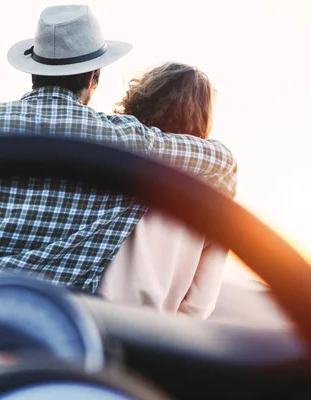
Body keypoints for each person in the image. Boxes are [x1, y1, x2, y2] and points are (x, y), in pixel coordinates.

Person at [0, 5, 237, 294]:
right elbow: (222, 163)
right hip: (45, 331)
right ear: (93, 77)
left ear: (33, 71)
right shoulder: (128, 144)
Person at [97, 62, 228, 318]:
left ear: (142, 98)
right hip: (152, 331)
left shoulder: (110, 159)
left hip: (92, 313)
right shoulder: (215, 193)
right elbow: (199, 305)